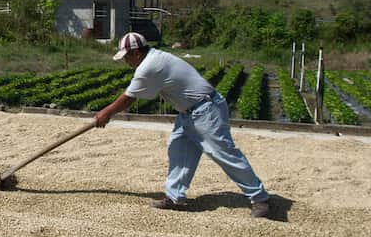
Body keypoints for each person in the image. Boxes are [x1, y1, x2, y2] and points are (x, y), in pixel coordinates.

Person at [94, 31, 273, 217]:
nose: (126, 61)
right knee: (178, 149)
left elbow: (129, 98)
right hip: (188, 113)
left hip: (205, 110)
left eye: (126, 57)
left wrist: (106, 113)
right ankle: (175, 198)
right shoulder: (155, 57)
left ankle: (259, 198)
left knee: (223, 153)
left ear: (136, 53)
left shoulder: (149, 66)